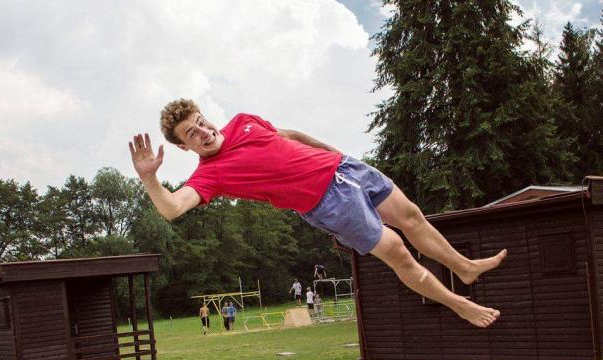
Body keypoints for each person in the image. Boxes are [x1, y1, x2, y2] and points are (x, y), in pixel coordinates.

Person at [129, 99, 507, 328]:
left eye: (201, 122)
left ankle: (464, 267)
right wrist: (150, 179)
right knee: (398, 252)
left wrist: (333, 151)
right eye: (191, 134)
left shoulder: (244, 120)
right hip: (329, 204)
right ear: (183, 147)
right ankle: (461, 305)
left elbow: (288, 135)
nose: (202, 132)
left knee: (411, 216)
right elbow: (173, 208)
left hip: (345, 168)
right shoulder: (210, 175)